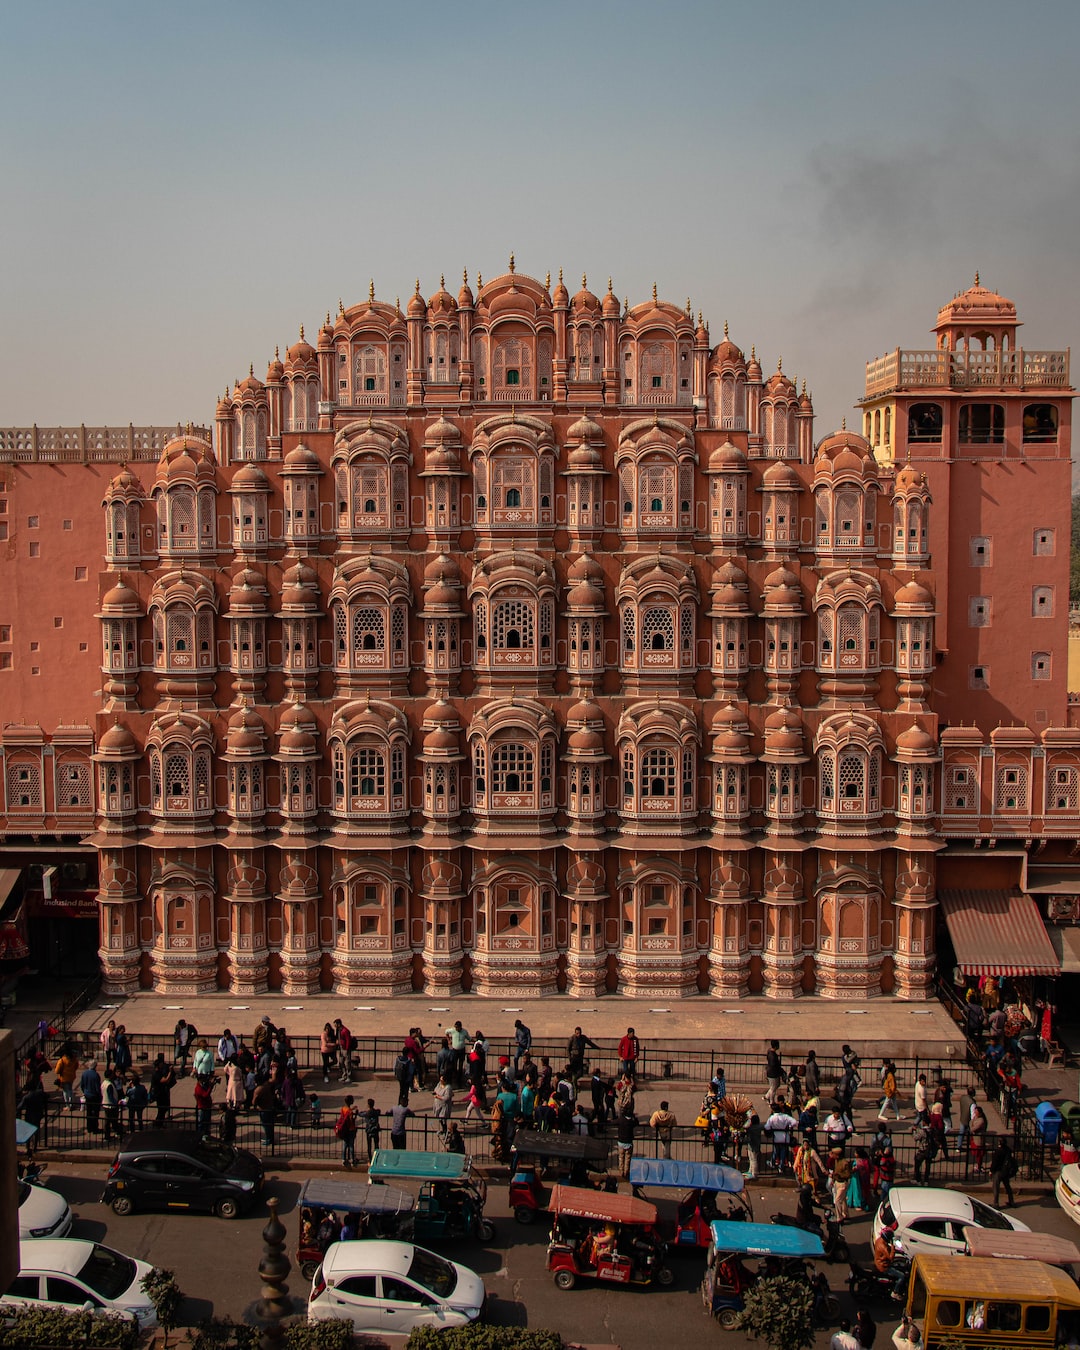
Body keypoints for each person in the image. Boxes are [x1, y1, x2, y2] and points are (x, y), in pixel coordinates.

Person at [252, 1077, 277, 1153]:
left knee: (266, 1125)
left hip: (263, 1109)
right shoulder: (267, 1087)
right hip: (270, 1107)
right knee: (270, 1125)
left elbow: (254, 1101)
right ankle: (271, 1139)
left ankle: (269, 1139)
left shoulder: (258, 1090)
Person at [990, 1135, 1017, 1207]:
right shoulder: (1008, 1150)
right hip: (1006, 1171)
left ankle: (996, 1203)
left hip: (998, 1171)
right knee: (1007, 1186)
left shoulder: (998, 1151)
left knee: (996, 1187)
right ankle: (1011, 1201)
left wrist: (991, 1170)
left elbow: (995, 1162)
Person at [149, 1055, 175, 1126]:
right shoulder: (156, 1074)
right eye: (161, 1064)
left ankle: (159, 1122)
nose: (162, 1065)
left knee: (163, 1109)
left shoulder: (159, 1072)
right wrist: (170, 1072)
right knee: (161, 1109)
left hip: (162, 1093)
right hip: (159, 1094)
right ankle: (158, 1123)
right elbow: (165, 1080)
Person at [53, 1044, 79, 1110]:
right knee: (70, 1090)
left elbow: (57, 1071)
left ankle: (68, 1105)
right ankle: (72, 1104)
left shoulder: (62, 1060)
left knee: (65, 1091)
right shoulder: (74, 1059)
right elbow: (76, 1066)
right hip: (71, 1077)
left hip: (64, 1078)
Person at [335, 1095, 358, 1166]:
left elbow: (343, 1117)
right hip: (351, 1129)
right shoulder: (350, 1112)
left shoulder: (343, 1109)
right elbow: (351, 1120)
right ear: (350, 1101)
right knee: (351, 1145)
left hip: (345, 1129)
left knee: (345, 1145)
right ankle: (352, 1159)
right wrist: (356, 1115)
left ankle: (343, 1159)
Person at [616, 1105, 636, 1178]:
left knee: (621, 1158)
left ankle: (621, 1172)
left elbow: (614, 1122)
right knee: (628, 1159)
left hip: (621, 1142)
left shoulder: (621, 1120)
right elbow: (637, 1123)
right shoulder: (631, 1121)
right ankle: (626, 1172)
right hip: (629, 1142)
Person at [432, 1074, 454, 1140]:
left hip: (444, 1106)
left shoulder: (448, 1088)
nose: (440, 1081)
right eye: (440, 1079)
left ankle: (445, 1132)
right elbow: (435, 1089)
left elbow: (446, 1098)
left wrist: (438, 1096)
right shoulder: (439, 1084)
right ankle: (443, 1130)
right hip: (437, 1105)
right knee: (440, 1119)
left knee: (443, 1119)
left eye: (442, 1080)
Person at [450, 1020, 469, 1087]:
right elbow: (446, 1032)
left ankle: (459, 1080)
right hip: (455, 1050)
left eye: (457, 1027)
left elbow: (469, 1038)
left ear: (460, 1027)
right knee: (454, 1065)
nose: (456, 1029)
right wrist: (449, 1040)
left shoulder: (464, 1031)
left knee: (461, 1066)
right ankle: (455, 1079)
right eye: (455, 1027)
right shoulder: (452, 1030)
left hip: (461, 1050)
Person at [335, 1019, 354, 1084]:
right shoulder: (339, 1030)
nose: (335, 1026)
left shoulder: (345, 1030)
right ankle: (344, 1075)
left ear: (338, 1024)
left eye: (335, 1024)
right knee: (341, 1062)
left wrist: (346, 1048)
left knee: (347, 1063)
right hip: (341, 1048)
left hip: (345, 1048)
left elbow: (348, 1040)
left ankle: (349, 1076)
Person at [765, 1040, 783, 1106]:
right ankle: (771, 1102)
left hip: (771, 1072)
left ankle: (767, 1096)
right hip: (773, 1073)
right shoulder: (773, 1055)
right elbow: (774, 1065)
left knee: (776, 1085)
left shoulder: (770, 1052)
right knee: (773, 1088)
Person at [590, 1067, 607, 1132]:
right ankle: (600, 1128)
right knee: (600, 1114)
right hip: (598, 1101)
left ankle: (598, 1126)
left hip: (596, 1100)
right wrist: (599, 1103)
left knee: (597, 1112)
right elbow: (596, 1093)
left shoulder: (595, 1080)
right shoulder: (596, 1082)